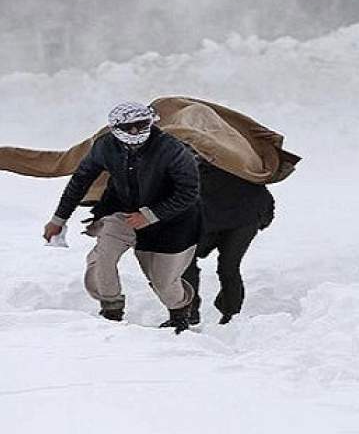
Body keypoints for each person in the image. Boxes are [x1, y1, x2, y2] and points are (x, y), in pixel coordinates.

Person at [42, 102, 201, 333]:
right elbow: (81, 180)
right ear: (115, 128)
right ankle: (111, 311)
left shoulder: (173, 150)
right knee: (103, 261)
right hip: (122, 213)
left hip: (171, 220)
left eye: (141, 125)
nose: (135, 132)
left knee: (164, 283)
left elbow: (188, 192)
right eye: (129, 127)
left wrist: (150, 216)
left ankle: (179, 314)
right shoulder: (104, 146)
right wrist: (59, 219)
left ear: (151, 122)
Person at [182, 161, 275, 325]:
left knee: (224, 266)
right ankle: (198, 311)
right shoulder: (239, 160)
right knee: (217, 265)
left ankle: (225, 313)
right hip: (222, 220)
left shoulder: (231, 162)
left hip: (240, 220)